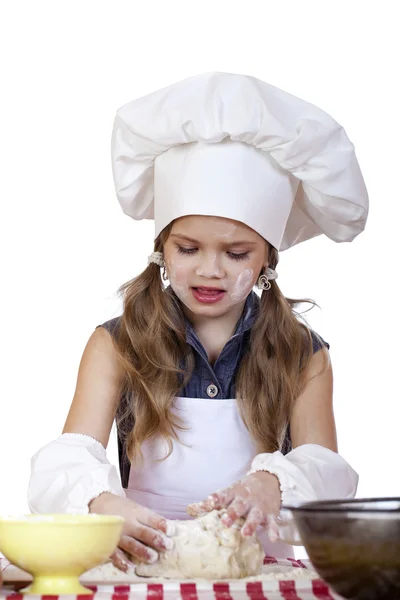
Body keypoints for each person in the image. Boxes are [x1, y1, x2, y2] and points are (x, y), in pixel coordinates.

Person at [28, 72, 369, 569]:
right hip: (146, 567)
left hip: (260, 572)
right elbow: (68, 457)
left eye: (236, 252)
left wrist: (272, 483)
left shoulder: (304, 354)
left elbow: (325, 475)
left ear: (267, 258)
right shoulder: (116, 345)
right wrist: (101, 506)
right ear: (161, 248)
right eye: (188, 248)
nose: (210, 269)